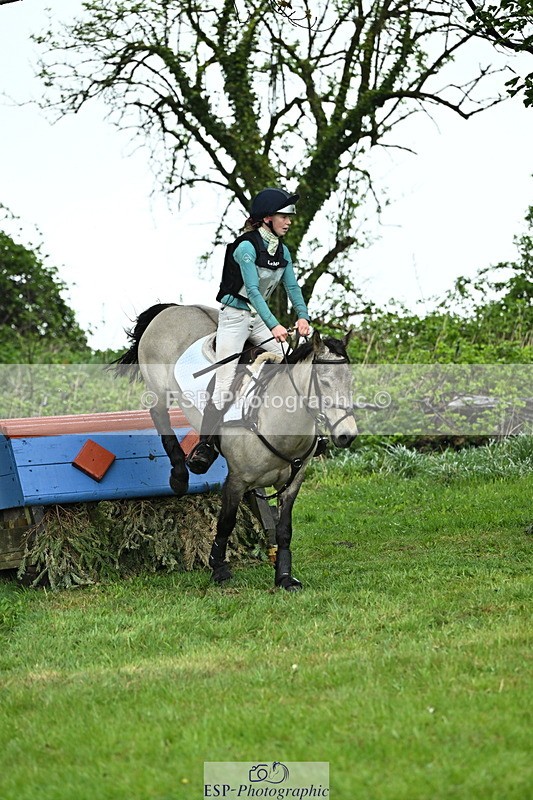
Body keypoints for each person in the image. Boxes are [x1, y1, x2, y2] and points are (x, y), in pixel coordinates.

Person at [186, 187, 312, 474]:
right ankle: (205, 444)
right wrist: (275, 325)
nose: (289, 220)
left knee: (290, 360)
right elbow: (253, 292)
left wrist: (303, 317)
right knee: (225, 380)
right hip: (234, 318)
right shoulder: (246, 247)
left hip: (257, 318)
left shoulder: (283, 250)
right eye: (284, 215)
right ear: (267, 218)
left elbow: (292, 287)